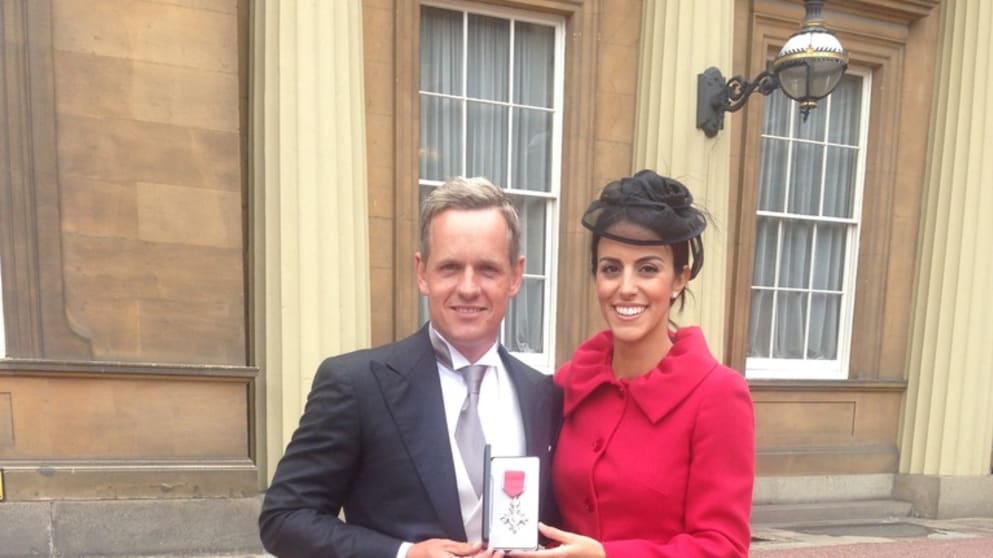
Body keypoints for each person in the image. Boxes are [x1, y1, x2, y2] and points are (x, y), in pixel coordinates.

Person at [259, 176, 562, 558]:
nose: (468, 288)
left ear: (516, 276)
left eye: (487, 269)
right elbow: (284, 519)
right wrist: (404, 554)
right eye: (450, 267)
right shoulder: (356, 385)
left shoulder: (543, 393)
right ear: (422, 272)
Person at [513, 170, 755, 558]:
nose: (626, 287)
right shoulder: (571, 383)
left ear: (679, 279)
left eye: (648, 268)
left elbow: (723, 548)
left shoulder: (718, 395)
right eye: (611, 268)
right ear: (595, 276)